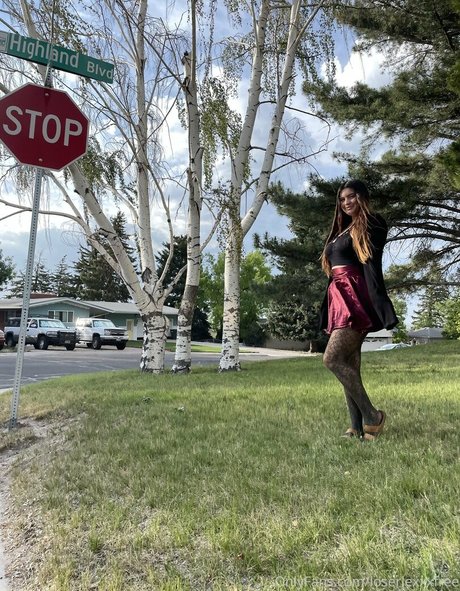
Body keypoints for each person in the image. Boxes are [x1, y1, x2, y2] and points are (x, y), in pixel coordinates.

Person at [319, 179, 398, 441]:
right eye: (342, 199)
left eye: (351, 196)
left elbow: (371, 264)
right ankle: (356, 427)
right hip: (339, 297)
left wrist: (381, 303)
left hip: (356, 298)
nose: (346, 202)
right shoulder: (342, 229)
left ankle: (372, 417)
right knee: (349, 362)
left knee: (332, 359)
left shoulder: (372, 223)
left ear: (362, 197)